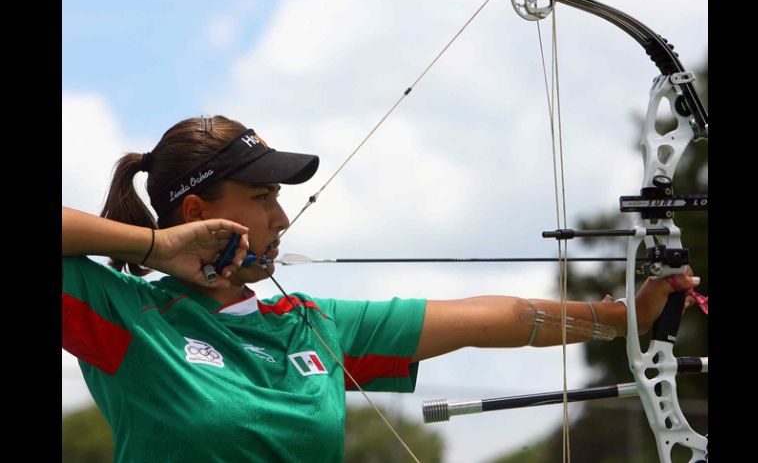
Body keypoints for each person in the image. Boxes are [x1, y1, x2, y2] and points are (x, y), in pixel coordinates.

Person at [62, 115, 701, 462]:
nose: (281, 219)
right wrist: (155, 247)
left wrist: (627, 317)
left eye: (278, 198)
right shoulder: (127, 315)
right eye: (260, 198)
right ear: (197, 211)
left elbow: (494, 318)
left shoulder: (310, 324)